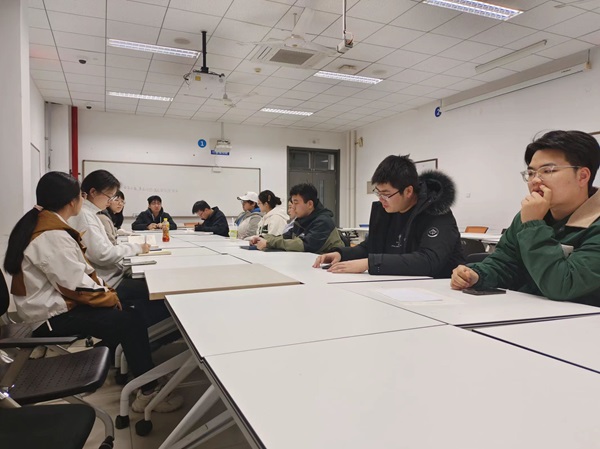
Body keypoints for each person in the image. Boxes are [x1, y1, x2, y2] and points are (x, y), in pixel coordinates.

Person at [3, 171, 182, 413]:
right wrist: (110, 297)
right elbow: (77, 286)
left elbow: (77, 278)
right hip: (49, 317)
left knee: (128, 316)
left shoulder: (46, 224)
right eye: (80, 195)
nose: (83, 199)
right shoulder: (51, 235)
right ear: (71, 202)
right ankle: (148, 391)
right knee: (130, 319)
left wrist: (106, 295)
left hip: (52, 307)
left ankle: (125, 363)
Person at [451, 130, 600, 306]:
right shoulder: (530, 215)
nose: (535, 180)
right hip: (530, 311)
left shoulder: (533, 219)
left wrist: (533, 225)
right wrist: (477, 275)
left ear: (582, 176)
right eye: (531, 173)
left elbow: (563, 285)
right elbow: (506, 263)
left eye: (548, 170)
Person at [314, 155, 463, 277]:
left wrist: (370, 263)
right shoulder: (388, 211)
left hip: (438, 289)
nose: (381, 199)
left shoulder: (437, 213)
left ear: (408, 191)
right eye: (378, 192)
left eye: (386, 194)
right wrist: (342, 254)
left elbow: (428, 261)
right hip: (395, 285)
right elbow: (371, 247)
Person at [69, 170, 170, 327]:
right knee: (157, 289)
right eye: (109, 197)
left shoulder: (91, 214)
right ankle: (142, 328)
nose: (110, 201)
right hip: (109, 282)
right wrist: (136, 248)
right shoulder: (86, 216)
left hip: (108, 276)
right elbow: (102, 254)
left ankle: (142, 326)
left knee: (152, 282)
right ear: (93, 192)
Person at [250, 183, 344, 253]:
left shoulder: (323, 221)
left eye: (296, 203)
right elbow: (286, 237)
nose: (293, 207)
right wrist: (263, 238)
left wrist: (269, 243)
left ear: (310, 204)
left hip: (328, 268)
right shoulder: (302, 220)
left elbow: (304, 245)